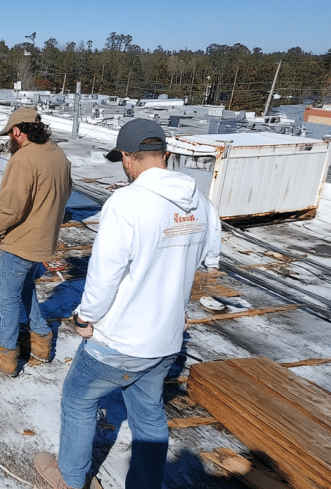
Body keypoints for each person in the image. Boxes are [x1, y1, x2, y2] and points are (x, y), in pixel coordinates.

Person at [35, 118, 222, 489]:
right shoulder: (200, 203)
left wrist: (86, 317)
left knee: (77, 399)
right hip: (165, 340)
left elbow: (105, 273)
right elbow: (209, 260)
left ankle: (70, 479)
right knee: (148, 414)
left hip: (120, 341)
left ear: (127, 157)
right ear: (165, 154)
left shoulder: (127, 202)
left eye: (122, 158)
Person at [0, 107, 72, 376]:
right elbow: (65, 193)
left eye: (10, 133)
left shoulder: (23, 158)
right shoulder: (58, 154)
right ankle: (41, 341)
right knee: (26, 289)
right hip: (44, 241)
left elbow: (11, 208)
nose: (10, 138)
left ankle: (7, 353)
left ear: (17, 131)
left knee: (6, 299)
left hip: (21, 242)